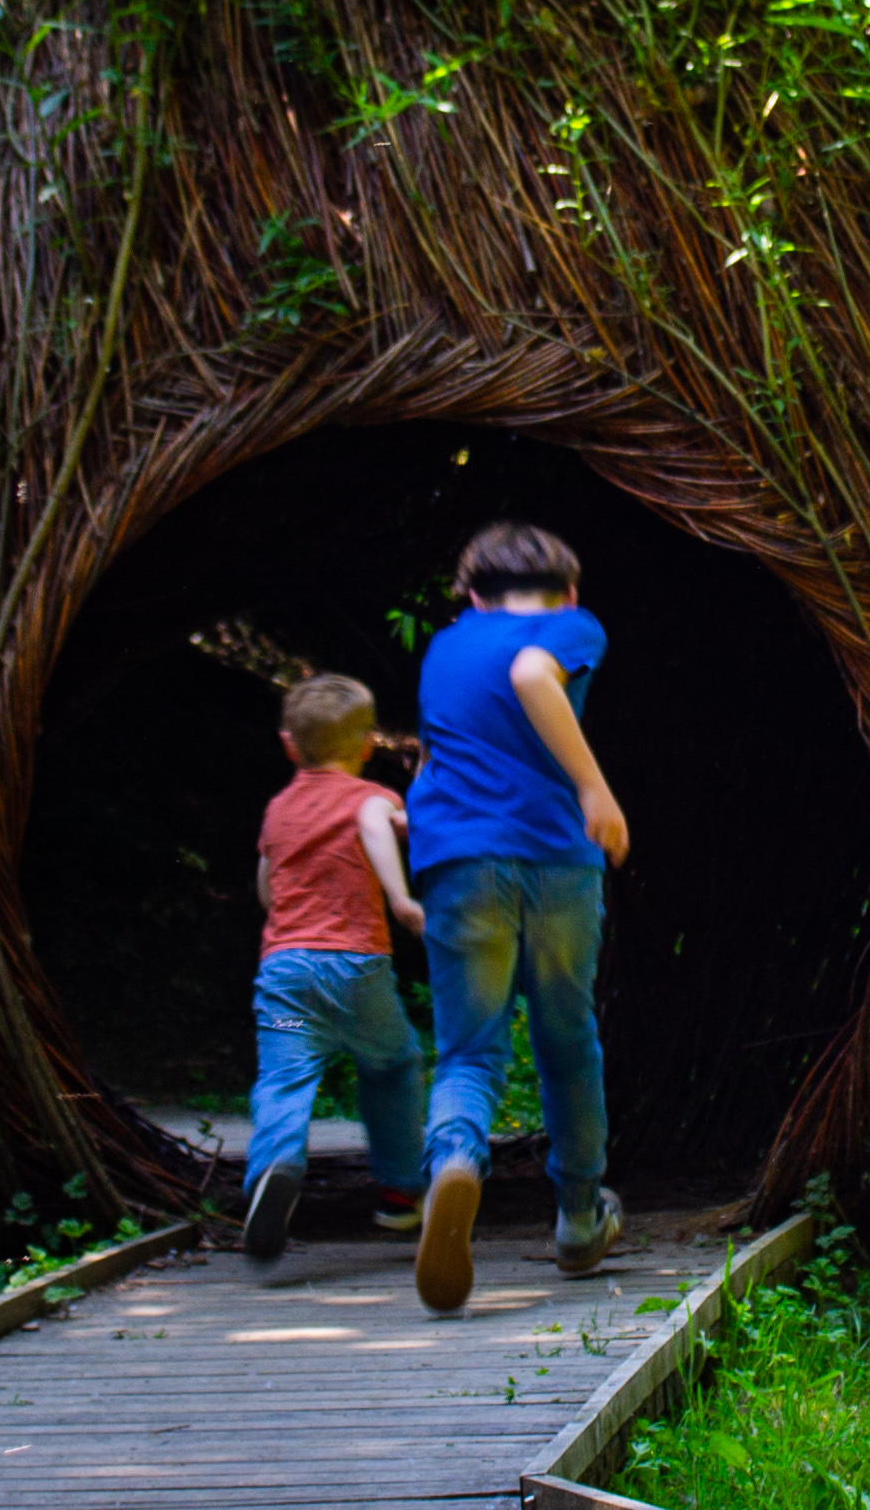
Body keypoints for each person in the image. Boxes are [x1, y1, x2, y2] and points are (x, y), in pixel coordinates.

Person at [401, 519, 629, 1311]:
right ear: (568, 590)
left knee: (469, 1050)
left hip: (460, 862)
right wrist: (594, 788)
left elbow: (431, 760)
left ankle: (455, 1161)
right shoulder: (569, 626)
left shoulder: (445, 647)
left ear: (472, 596)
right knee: (567, 1043)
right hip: (556, 859)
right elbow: (533, 672)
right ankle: (579, 1218)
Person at [239, 671, 428, 1266]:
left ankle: (274, 1165)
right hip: (356, 972)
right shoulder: (371, 798)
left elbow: (267, 889)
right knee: (393, 1064)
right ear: (368, 745)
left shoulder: (278, 809)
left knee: (284, 1077)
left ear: (288, 745)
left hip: (287, 979)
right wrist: (399, 896)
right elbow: (378, 827)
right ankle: (400, 1190)